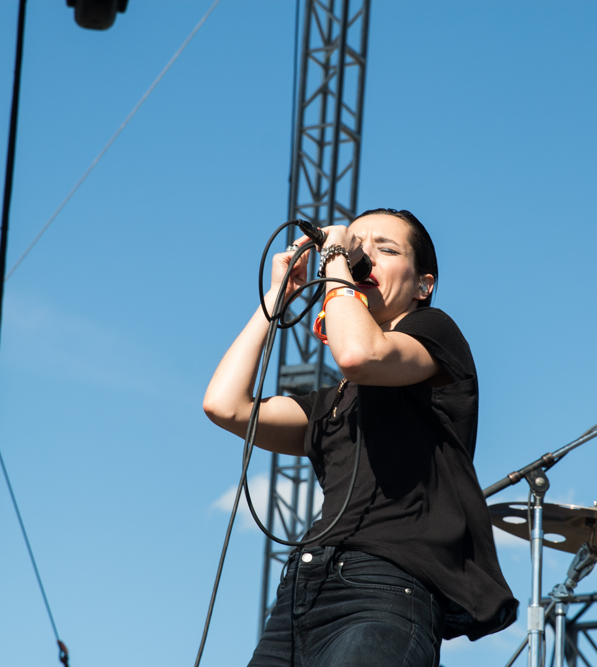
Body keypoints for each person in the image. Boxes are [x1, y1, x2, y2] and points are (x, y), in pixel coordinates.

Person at [203, 208, 517, 667]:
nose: (361, 255)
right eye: (357, 244)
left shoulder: (436, 333)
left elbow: (358, 354)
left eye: (385, 249)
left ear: (423, 285)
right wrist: (277, 296)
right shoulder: (333, 402)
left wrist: (334, 254)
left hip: (385, 589)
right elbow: (226, 405)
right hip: (301, 595)